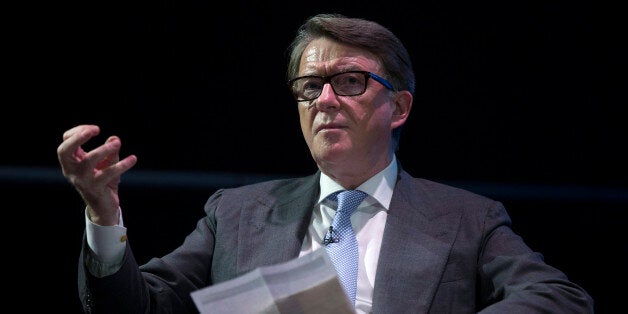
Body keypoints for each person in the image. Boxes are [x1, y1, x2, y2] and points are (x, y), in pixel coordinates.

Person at [58, 13, 594, 313]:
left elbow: (559, 299)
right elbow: (132, 312)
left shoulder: (465, 219)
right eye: (310, 86)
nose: (325, 100)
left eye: (350, 82)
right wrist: (103, 215)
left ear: (399, 106)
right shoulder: (237, 213)